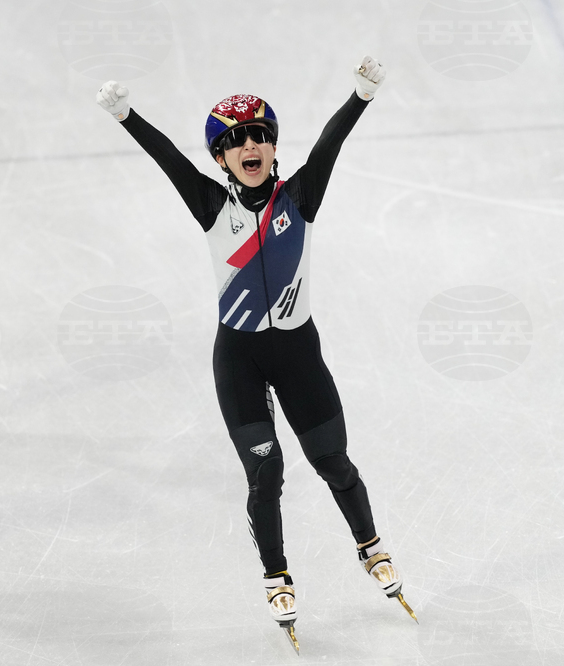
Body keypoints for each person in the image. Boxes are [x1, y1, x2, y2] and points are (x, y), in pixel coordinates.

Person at [96, 57, 413, 640]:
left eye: (259, 137)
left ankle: (370, 546)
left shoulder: (301, 197)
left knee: (333, 463)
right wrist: (126, 116)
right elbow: (168, 160)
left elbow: (328, 146)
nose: (250, 146)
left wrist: (360, 96)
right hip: (239, 358)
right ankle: (276, 574)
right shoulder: (212, 206)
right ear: (221, 158)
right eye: (236, 140)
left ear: (272, 148)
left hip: (298, 355)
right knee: (266, 474)